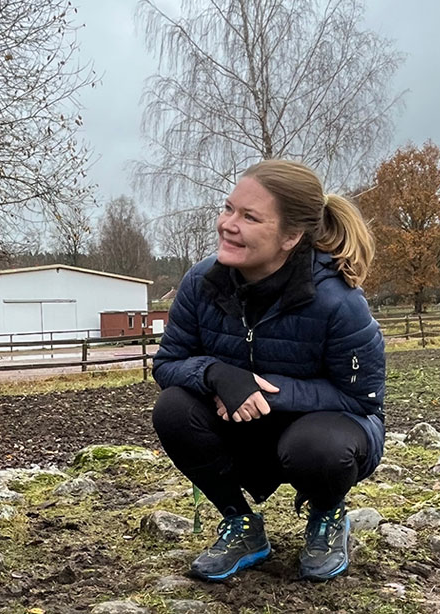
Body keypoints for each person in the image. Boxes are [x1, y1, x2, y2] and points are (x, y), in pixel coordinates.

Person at [151, 160, 385, 583]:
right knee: (172, 409)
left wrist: (266, 391)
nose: (227, 224)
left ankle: (328, 514)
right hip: (239, 427)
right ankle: (241, 526)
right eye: (228, 209)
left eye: (249, 216)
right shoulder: (200, 282)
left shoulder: (339, 301)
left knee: (318, 449)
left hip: (322, 433)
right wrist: (216, 374)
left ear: (290, 237)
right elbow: (167, 364)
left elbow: (362, 399)